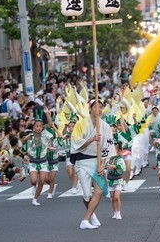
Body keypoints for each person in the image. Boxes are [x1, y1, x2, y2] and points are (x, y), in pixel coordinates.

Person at [70, 98, 116, 230]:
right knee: (87, 194)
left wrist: (102, 164)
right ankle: (92, 214)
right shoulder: (80, 124)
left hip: (97, 161)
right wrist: (92, 139)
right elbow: (76, 143)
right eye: (96, 107)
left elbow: (107, 147)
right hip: (82, 161)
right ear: (90, 109)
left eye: (101, 107)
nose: (99, 110)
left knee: (99, 191)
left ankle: (85, 220)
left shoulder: (105, 127)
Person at [22, 109, 55, 206]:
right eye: (37, 126)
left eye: (40, 126)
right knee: (33, 180)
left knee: (41, 181)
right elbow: (23, 145)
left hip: (43, 162)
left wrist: (47, 114)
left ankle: (35, 199)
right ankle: (35, 186)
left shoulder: (45, 135)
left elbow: (50, 125)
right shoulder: (30, 136)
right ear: (33, 127)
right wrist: (25, 140)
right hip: (33, 162)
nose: (39, 128)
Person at [106, 142, 126, 220]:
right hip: (110, 179)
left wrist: (114, 166)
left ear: (119, 151)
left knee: (117, 197)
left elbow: (122, 168)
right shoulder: (109, 159)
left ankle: (118, 212)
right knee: (112, 197)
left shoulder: (120, 159)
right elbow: (106, 166)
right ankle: (114, 211)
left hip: (118, 179)